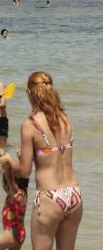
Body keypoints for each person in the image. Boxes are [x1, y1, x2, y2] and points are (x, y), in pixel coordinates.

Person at [12, 72, 82, 249]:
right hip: (73, 194)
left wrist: (11, 162)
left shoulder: (30, 125)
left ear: (29, 92)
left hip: (49, 197)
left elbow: (24, 172)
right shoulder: (66, 119)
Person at [0, 83, 27, 249]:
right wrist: (20, 159)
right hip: (17, 234)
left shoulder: (15, 193)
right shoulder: (20, 193)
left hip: (12, 235)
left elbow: (10, 177)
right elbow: (22, 173)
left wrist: (8, 162)